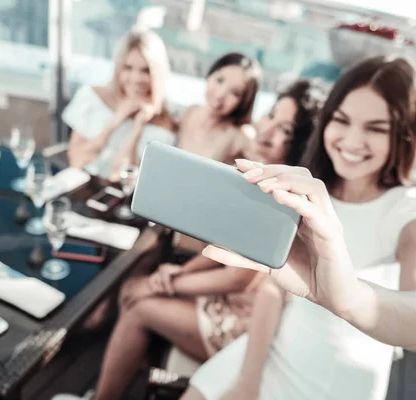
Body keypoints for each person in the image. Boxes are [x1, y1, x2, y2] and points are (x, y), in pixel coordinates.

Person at [182, 56, 416, 400]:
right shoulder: (309, 190)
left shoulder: (414, 212)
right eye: (342, 120)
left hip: (338, 376)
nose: (353, 141)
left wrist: (346, 295)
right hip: (273, 346)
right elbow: (271, 292)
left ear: (405, 135)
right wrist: (248, 381)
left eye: (376, 128)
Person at [51, 80, 320, 400]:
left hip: (243, 323)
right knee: (131, 293)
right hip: (222, 299)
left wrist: (166, 283)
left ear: (301, 144)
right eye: (270, 116)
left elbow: (236, 278)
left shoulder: (280, 201)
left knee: (137, 304)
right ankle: (125, 373)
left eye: (285, 131)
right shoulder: (259, 179)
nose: (266, 131)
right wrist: (177, 274)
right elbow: (224, 246)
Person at [63, 27, 176, 179]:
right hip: (81, 187)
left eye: (145, 70)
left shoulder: (164, 126)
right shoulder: (93, 97)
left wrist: (138, 127)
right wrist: (116, 119)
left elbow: (121, 178)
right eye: (128, 68)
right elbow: (76, 161)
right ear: (118, 69)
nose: (136, 79)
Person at [176, 52, 261, 164]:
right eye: (219, 80)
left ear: (243, 102)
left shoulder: (240, 135)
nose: (220, 95)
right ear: (210, 75)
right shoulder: (191, 111)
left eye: (235, 93)